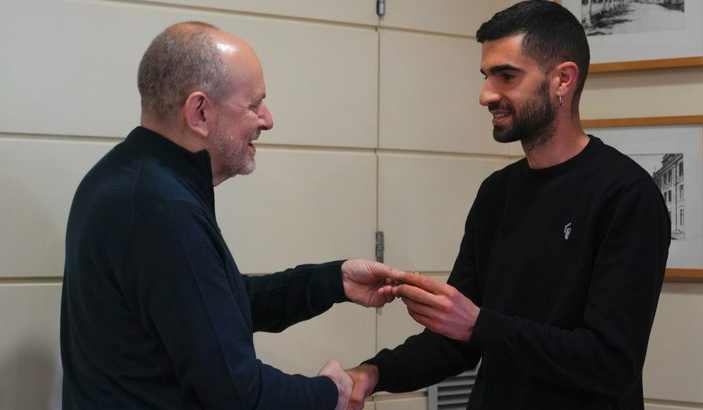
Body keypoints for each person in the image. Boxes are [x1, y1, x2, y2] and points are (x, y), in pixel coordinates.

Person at [61, 21, 404, 410]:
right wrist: (331, 393)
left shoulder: (125, 177)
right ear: (200, 111)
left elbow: (209, 305)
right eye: (254, 104)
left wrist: (332, 281)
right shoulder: (163, 210)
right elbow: (238, 395)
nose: (268, 119)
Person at [346, 1, 671, 409]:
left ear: (563, 80)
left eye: (506, 76)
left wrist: (479, 324)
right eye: (486, 76)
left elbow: (609, 362)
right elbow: (457, 343)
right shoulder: (496, 193)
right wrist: (372, 373)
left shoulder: (626, 196)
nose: (486, 95)